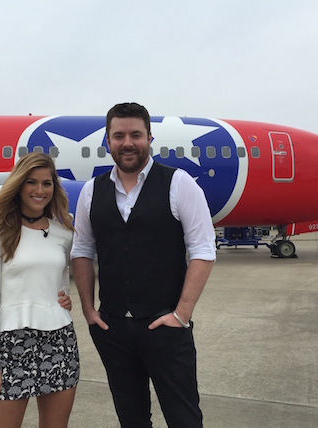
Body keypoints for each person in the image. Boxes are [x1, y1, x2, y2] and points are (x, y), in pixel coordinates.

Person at [71, 102, 216, 428]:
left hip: (166, 327)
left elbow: (203, 249)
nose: (127, 142)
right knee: (131, 419)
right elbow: (81, 249)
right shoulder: (92, 192)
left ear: (149, 137)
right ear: (107, 141)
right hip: (113, 330)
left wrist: (182, 313)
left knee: (184, 419)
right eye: (118, 135)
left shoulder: (178, 183)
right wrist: (88, 310)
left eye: (135, 134)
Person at [0, 152, 79, 428]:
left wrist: (63, 297)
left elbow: (60, 277)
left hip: (60, 342)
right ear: (18, 185)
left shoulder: (63, 233)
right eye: (32, 182)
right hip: (11, 346)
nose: (40, 190)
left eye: (47, 183)